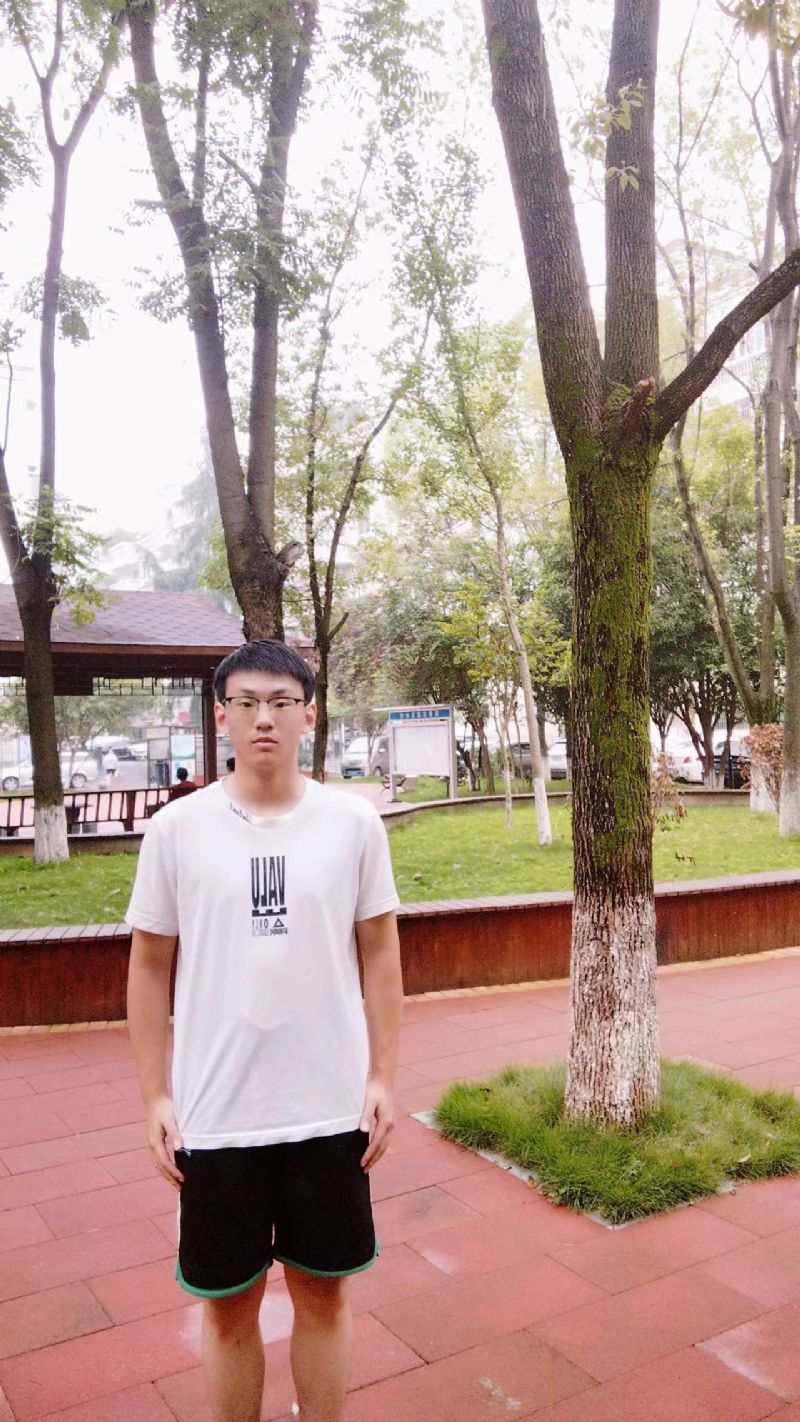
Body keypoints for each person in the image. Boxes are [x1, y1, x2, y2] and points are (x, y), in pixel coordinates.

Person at [125, 640, 403, 1422]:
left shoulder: (352, 824)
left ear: (309, 716)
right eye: (246, 703)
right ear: (222, 717)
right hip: (218, 1116)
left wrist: (382, 1076)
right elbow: (148, 967)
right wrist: (155, 1096)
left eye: (281, 702)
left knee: (323, 1296)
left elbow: (381, 955)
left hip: (328, 1109)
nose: (264, 719)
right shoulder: (177, 830)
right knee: (227, 1307)